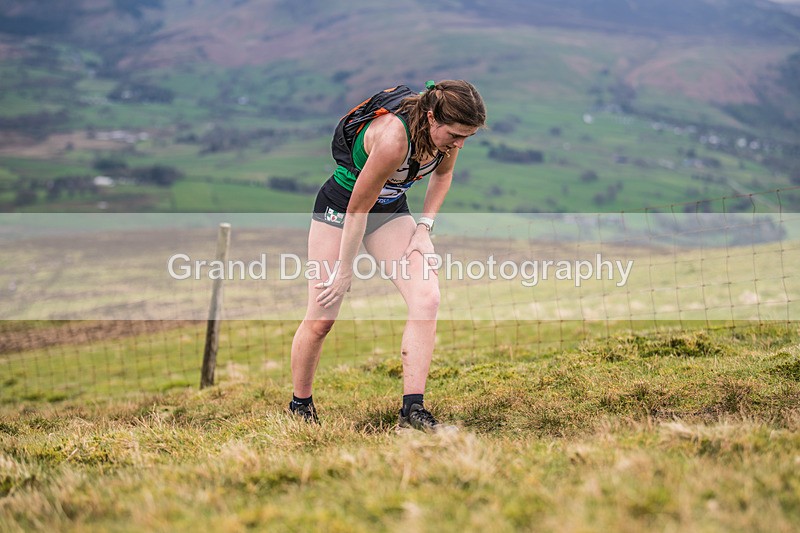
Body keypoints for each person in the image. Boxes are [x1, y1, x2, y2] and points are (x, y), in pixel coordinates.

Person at [288, 79, 486, 430]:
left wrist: (424, 229)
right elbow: (357, 209)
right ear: (431, 118)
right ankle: (300, 405)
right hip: (342, 208)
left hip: (389, 209)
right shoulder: (394, 140)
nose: (459, 144)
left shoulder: (449, 134)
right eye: (455, 135)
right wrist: (344, 271)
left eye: (465, 138)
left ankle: (412, 411)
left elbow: (444, 174)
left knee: (427, 297)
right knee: (321, 318)